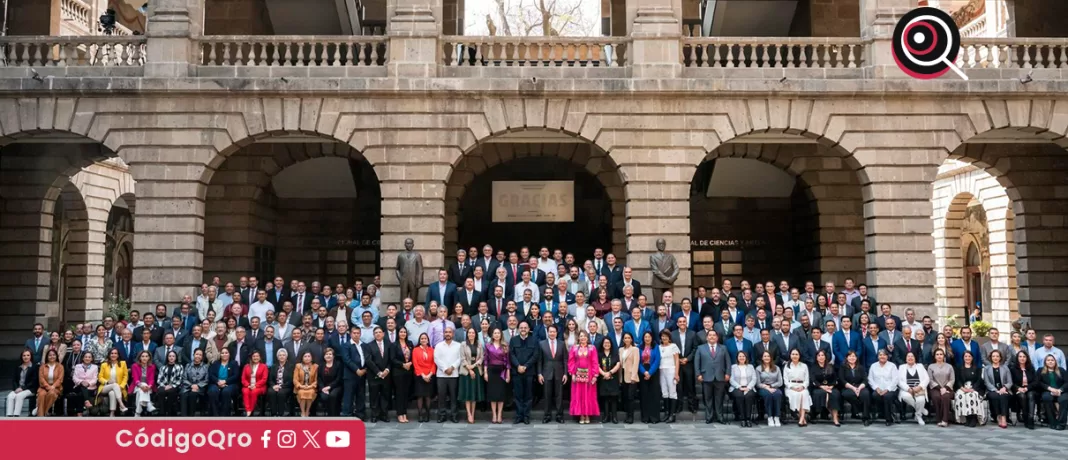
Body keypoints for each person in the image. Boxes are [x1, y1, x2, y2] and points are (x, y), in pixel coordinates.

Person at [696, 330, 730, 425]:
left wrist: (728, 373)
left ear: (717, 337)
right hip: (706, 377)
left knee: (719, 398)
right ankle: (709, 417)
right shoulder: (700, 348)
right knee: (708, 398)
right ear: (706, 337)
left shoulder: (723, 348)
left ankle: (720, 416)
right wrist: (698, 374)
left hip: (720, 376)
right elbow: (697, 362)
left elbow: (728, 362)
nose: (712, 337)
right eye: (710, 335)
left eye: (714, 335)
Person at [538, 324, 568, 423]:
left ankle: (560, 415)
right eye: (550, 331)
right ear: (547, 332)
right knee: (547, 395)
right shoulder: (542, 344)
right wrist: (539, 373)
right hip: (546, 373)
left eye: (554, 331)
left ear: (556, 332)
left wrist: (565, 373)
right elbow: (540, 361)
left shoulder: (562, 343)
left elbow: (565, 360)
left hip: (559, 372)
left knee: (559, 395)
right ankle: (547, 415)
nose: (552, 333)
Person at [509, 322, 538, 424]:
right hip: (517, 372)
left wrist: (525, 366)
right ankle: (518, 415)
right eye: (521, 327)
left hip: (529, 371)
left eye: (525, 327)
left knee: (528, 395)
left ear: (529, 328)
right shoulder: (513, 340)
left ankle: (526, 416)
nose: (523, 329)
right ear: (518, 329)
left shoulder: (534, 340)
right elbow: (511, 354)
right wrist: (518, 366)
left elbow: (535, 355)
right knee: (518, 395)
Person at [569, 330, 600, 424]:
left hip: (589, 375)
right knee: (579, 395)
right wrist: (572, 373)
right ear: (578, 337)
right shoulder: (574, 348)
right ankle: (581, 415)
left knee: (588, 395)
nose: (582, 338)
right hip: (578, 375)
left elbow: (595, 362)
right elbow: (571, 361)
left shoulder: (592, 348)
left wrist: (595, 375)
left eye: (584, 336)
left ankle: (587, 415)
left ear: (587, 338)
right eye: (581, 336)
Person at [434, 325, 462, 423]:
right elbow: (436, 359)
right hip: (441, 375)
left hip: (454, 375)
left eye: (450, 332)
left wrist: (452, 367)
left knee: (454, 396)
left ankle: (454, 415)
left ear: (453, 334)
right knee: (441, 396)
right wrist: (445, 369)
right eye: (446, 332)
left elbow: (460, 358)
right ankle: (442, 415)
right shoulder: (438, 345)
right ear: (444, 334)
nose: (448, 334)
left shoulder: (458, 345)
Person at [483, 328, 510, 424]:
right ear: (492, 335)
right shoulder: (488, 345)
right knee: (493, 394)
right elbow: (485, 360)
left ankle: (500, 415)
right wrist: (485, 372)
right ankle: (494, 414)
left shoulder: (505, 346)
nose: (497, 335)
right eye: (495, 333)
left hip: (502, 371)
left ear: (501, 334)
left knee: (501, 394)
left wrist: (508, 374)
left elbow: (507, 362)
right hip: (491, 370)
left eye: (498, 333)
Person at [365, 327, 392, 422]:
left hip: (386, 374)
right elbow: (368, 360)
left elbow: (391, 359)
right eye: (376, 332)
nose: (378, 334)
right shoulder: (369, 346)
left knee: (385, 395)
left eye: (380, 332)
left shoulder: (389, 344)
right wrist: (378, 372)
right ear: (373, 334)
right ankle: (374, 415)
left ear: (383, 334)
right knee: (374, 395)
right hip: (374, 375)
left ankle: (384, 414)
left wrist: (387, 370)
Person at [459, 327, 485, 423]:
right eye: (469, 333)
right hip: (466, 372)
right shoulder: (463, 344)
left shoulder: (479, 344)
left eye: (473, 333)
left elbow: (481, 357)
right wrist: (469, 369)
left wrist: (473, 366)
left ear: (475, 334)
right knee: (467, 394)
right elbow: (462, 358)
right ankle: (468, 414)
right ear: (467, 334)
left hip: (477, 370)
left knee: (474, 393)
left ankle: (473, 413)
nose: (471, 334)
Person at [981, 349, 1013, 429]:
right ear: (991, 358)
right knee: (995, 396)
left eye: (997, 356)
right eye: (993, 356)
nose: (995, 358)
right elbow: (987, 382)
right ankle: (998, 416)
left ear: (1000, 358)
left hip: (1004, 390)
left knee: (1003, 396)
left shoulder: (1005, 368)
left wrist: (1004, 388)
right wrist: (996, 390)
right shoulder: (987, 368)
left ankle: (1003, 418)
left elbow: (1010, 382)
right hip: (992, 390)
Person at [389, 327, 415, 423]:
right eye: (401, 332)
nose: (403, 333)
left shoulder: (410, 343)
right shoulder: (394, 345)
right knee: (399, 393)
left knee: (406, 393)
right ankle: (400, 414)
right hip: (398, 372)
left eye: (404, 332)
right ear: (398, 333)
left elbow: (413, 356)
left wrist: (410, 363)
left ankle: (405, 413)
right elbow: (392, 359)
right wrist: (402, 364)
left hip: (408, 371)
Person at [839, 350, 871, 426]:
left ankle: (866, 417)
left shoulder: (860, 367)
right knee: (848, 394)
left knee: (866, 394)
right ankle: (856, 409)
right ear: (846, 358)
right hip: (848, 387)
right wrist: (853, 388)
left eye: (853, 356)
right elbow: (842, 380)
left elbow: (865, 380)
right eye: (850, 356)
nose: (852, 358)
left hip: (860, 386)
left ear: (856, 358)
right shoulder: (843, 367)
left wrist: (859, 388)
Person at [955, 350, 986, 426]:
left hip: (974, 388)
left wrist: (973, 389)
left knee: (971, 396)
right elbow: (957, 380)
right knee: (960, 396)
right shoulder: (959, 368)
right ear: (963, 358)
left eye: (969, 356)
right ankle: (966, 417)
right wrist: (962, 388)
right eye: (966, 356)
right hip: (963, 388)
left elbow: (979, 380)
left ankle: (973, 417)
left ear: (972, 358)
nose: (967, 358)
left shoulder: (977, 368)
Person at [1037, 354, 1068, 430]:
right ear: (1045, 362)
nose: (1050, 362)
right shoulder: (1040, 370)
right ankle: (1052, 422)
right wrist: (1049, 388)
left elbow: (1067, 382)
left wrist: (1060, 390)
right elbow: (1038, 382)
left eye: (1052, 360)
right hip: (1048, 391)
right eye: (1048, 360)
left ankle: (1061, 423)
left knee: (1064, 399)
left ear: (1055, 361)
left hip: (1061, 391)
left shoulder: (1061, 370)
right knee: (1046, 397)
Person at [897, 351, 929, 425]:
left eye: (912, 356)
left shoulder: (920, 366)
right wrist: (908, 388)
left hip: (919, 390)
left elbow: (926, 379)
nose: (910, 358)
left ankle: (918, 416)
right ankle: (921, 410)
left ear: (915, 358)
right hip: (907, 390)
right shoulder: (901, 367)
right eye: (908, 356)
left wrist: (920, 387)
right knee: (906, 396)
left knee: (921, 400)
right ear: (905, 359)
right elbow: (899, 381)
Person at [809, 349, 840, 426]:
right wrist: (822, 387)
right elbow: (813, 380)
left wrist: (831, 386)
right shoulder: (813, 367)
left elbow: (835, 379)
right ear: (816, 357)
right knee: (820, 393)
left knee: (835, 394)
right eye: (819, 355)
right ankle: (820, 413)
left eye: (822, 355)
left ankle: (835, 418)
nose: (821, 357)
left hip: (830, 387)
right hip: (818, 387)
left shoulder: (830, 366)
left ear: (825, 357)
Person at [867, 350, 898, 426]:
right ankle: (881, 413)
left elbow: (895, 380)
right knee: (875, 395)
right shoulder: (873, 366)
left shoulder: (892, 366)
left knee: (887, 396)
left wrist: (887, 389)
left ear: (887, 356)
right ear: (878, 356)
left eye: (884, 355)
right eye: (880, 355)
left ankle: (888, 419)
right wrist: (876, 388)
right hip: (878, 389)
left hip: (890, 389)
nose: (882, 356)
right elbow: (870, 379)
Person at [926, 348, 955, 427]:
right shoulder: (931, 366)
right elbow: (930, 380)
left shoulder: (949, 366)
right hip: (935, 388)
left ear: (944, 356)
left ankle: (945, 420)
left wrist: (945, 388)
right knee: (936, 397)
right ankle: (938, 419)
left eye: (941, 354)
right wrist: (940, 388)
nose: (939, 356)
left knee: (945, 397)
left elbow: (952, 379)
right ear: (935, 356)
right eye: (937, 354)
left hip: (948, 388)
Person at [637, 331, 662, 424]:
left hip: (653, 372)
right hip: (643, 371)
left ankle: (654, 417)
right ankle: (645, 417)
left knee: (654, 394)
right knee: (644, 395)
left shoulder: (656, 347)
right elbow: (638, 361)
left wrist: (650, 372)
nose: (647, 338)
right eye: (645, 337)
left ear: (652, 338)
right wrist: (644, 372)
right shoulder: (639, 348)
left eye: (649, 337)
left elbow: (657, 360)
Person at [596, 335, 621, 423]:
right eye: (605, 343)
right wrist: (604, 374)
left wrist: (610, 373)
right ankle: (606, 416)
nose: (607, 344)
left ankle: (614, 416)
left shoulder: (615, 353)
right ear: (602, 344)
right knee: (605, 398)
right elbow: (597, 366)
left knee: (613, 397)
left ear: (611, 344)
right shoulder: (599, 354)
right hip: (603, 378)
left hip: (613, 378)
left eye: (608, 343)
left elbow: (618, 364)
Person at [656, 329, 680, 423]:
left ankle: (672, 414)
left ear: (669, 337)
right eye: (662, 336)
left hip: (671, 369)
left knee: (672, 392)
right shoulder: (658, 347)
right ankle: (666, 413)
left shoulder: (673, 346)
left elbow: (677, 360)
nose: (664, 338)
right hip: (662, 370)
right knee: (664, 392)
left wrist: (676, 373)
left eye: (666, 336)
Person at [207, 348, 240, 416]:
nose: (224, 354)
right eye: (222, 353)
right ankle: (215, 414)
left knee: (226, 391)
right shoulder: (215, 363)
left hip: (230, 384)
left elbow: (236, 375)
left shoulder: (234, 363)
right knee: (213, 391)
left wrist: (225, 381)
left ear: (229, 354)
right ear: (220, 354)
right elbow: (211, 374)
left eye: (226, 353)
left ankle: (224, 415)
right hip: (216, 383)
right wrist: (218, 381)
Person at [783, 348, 811, 427]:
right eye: (793, 354)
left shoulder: (804, 366)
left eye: (796, 354)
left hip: (802, 386)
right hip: (791, 388)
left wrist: (803, 386)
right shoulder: (787, 366)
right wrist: (792, 387)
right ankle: (803, 419)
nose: (794, 356)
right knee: (796, 395)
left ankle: (801, 418)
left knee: (804, 394)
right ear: (790, 355)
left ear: (799, 355)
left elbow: (807, 380)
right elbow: (785, 381)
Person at [730, 349, 758, 427]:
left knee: (749, 396)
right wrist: (739, 387)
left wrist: (748, 387)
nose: (741, 358)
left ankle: (748, 419)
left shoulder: (751, 366)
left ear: (746, 358)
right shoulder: (733, 367)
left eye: (743, 356)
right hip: (737, 388)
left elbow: (754, 378)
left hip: (749, 387)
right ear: (737, 358)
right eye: (740, 356)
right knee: (740, 396)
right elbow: (731, 379)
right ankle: (742, 418)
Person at [98, 348, 129, 416]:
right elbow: (100, 377)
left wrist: (121, 386)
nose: (113, 355)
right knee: (114, 385)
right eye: (112, 353)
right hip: (105, 387)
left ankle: (112, 413)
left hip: (119, 387)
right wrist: (107, 382)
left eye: (115, 353)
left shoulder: (123, 363)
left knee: (112, 393)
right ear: (109, 355)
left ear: (118, 355)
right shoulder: (104, 365)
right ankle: (121, 404)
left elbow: (125, 376)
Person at [6, 349, 37, 416]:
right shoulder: (18, 366)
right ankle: (9, 416)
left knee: (19, 396)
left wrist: (22, 388)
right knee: (10, 396)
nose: (26, 357)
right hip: (18, 389)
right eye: (24, 355)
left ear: (31, 356)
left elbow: (33, 382)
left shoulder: (34, 367)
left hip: (29, 389)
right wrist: (16, 388)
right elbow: (14, 380)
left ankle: (16, 415)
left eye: (28, 355)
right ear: (21, 357)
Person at [1011, 350, 1037, 429]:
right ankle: (1025, 417)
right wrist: (1019, 388)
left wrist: (1027, 388)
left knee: (1031, 395)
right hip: (1018, 388)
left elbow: (1035, 381)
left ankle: (1031, 418)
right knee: (1022, 396)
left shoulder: (1031, 368)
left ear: (1027, 358)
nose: (1022, 358)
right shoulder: (1013, 368)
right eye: (1020, 356)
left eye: (1024, 356)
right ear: (1017, 358)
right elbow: (1011, 382)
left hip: (1029, 388)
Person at [180, 349, 209, 416]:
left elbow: (206, 380)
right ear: (193, 355)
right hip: (187, 387)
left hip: (200, 388)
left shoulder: (205, 366)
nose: (198, 356)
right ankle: (183, 418)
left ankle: (191, 417)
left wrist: (197, 386)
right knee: (183, 395)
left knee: (193, 394)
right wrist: (191, 385)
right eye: (196, 354)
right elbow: (184, 378)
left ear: (202, 357)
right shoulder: (188, 365)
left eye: (200, 355)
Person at [35, 348, 64, 416]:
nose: (52, 356)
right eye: (50, 355)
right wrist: (48, 387)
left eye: (54, 355)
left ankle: (41, 412)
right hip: (43, 387)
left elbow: (60, 379)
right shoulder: (42, 367)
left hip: (56, 387)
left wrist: (53, 386)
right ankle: (41, 417)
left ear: (56, 356)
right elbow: (41, 379)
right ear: (47, 357)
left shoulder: (60, 366)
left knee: (52, 394)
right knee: (41, 395)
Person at [618, 332, 639, 424]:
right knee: (625, 396)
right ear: (623, 340)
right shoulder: (620, 350)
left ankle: (631, 417)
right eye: (625, 338)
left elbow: (636, 363)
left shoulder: (635, 349)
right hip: (623, 375)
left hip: (631, 376)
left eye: (628, 338)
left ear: (631, 339)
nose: (627, 339)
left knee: (631, 397)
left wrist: (633, 376)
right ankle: (627, 415)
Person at [266, 348, 294, 417]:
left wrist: (281, 386)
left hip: (286, 387)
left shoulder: (291, 366)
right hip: (275, 386)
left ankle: (280, 414)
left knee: (281, 393)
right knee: (271, 392)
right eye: (280, 355)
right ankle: (274, 413)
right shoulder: (273, 366)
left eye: (283, 355)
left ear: (286, 356)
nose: (282, 357)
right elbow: (270, 379)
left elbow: (291, 380)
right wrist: (273, 386)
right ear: (277, 357)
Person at [69, 351, 97, 416]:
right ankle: (87, 401)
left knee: (81, 393)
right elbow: (74, 378)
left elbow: (95, 379)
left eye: (89, 357)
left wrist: (89, 383)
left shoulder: (94, 367)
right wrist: (81, 382)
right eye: (86, 357)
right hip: (78, 386)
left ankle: (79, 413)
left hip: (90, 387)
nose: (87, 358)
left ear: (92, 359)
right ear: (83, 358)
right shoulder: (78, 366)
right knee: (81, 387)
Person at [239, 350, 267, 416]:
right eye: (254, 356)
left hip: (260, 386)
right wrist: (248, 385)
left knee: (254, 392)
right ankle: (248, 410)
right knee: (245, 391)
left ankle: (250, 411)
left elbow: (264, 379)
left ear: (260, 357)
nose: (255, 358)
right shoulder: (246, 366)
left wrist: (255, 385)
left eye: (257, 356)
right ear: (251, 357)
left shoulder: (264, 366)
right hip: (248, 386)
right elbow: (243, 378)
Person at [156, 350, 183, 416]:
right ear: (167, 357)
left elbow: (180, 379)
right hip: (164, 386)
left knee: (171, 392)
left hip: (175, 386)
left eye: (173, 356)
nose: (171, 357)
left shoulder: (180, 367)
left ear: (176, 357)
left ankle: (170, 411)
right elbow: (159, 379)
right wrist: (164, 386)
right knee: (160, 392)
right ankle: (162, 412)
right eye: (170, 356)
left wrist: (171, 386)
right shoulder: (163, 367)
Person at [317, 348, 342, 416]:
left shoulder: (338, 364)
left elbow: (338, 379)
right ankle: (328, 415)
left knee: (332, 395)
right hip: (324, 387)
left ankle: (334, 415)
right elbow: (319, 378)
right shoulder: (321, 365)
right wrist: (322, 388)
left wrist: (329, 387)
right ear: (324, 356)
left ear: (333, 356)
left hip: (335, 386)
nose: (328, 355)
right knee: (325, 397)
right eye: (326, 354)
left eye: (330, 354)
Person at [294, 351, 319, 417]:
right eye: (305, 356)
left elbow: (317, 380)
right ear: (302, 358)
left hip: (311, 387)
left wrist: (310, 386)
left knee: (310, 393)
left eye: (309, 356)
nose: (307, 358)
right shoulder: (298, 366)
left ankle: (307, 411)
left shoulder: (315, 366)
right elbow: (295, 379)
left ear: (311, 358)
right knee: (302, 393)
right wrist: (301, 386)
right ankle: (303, 412)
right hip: (300, 387)